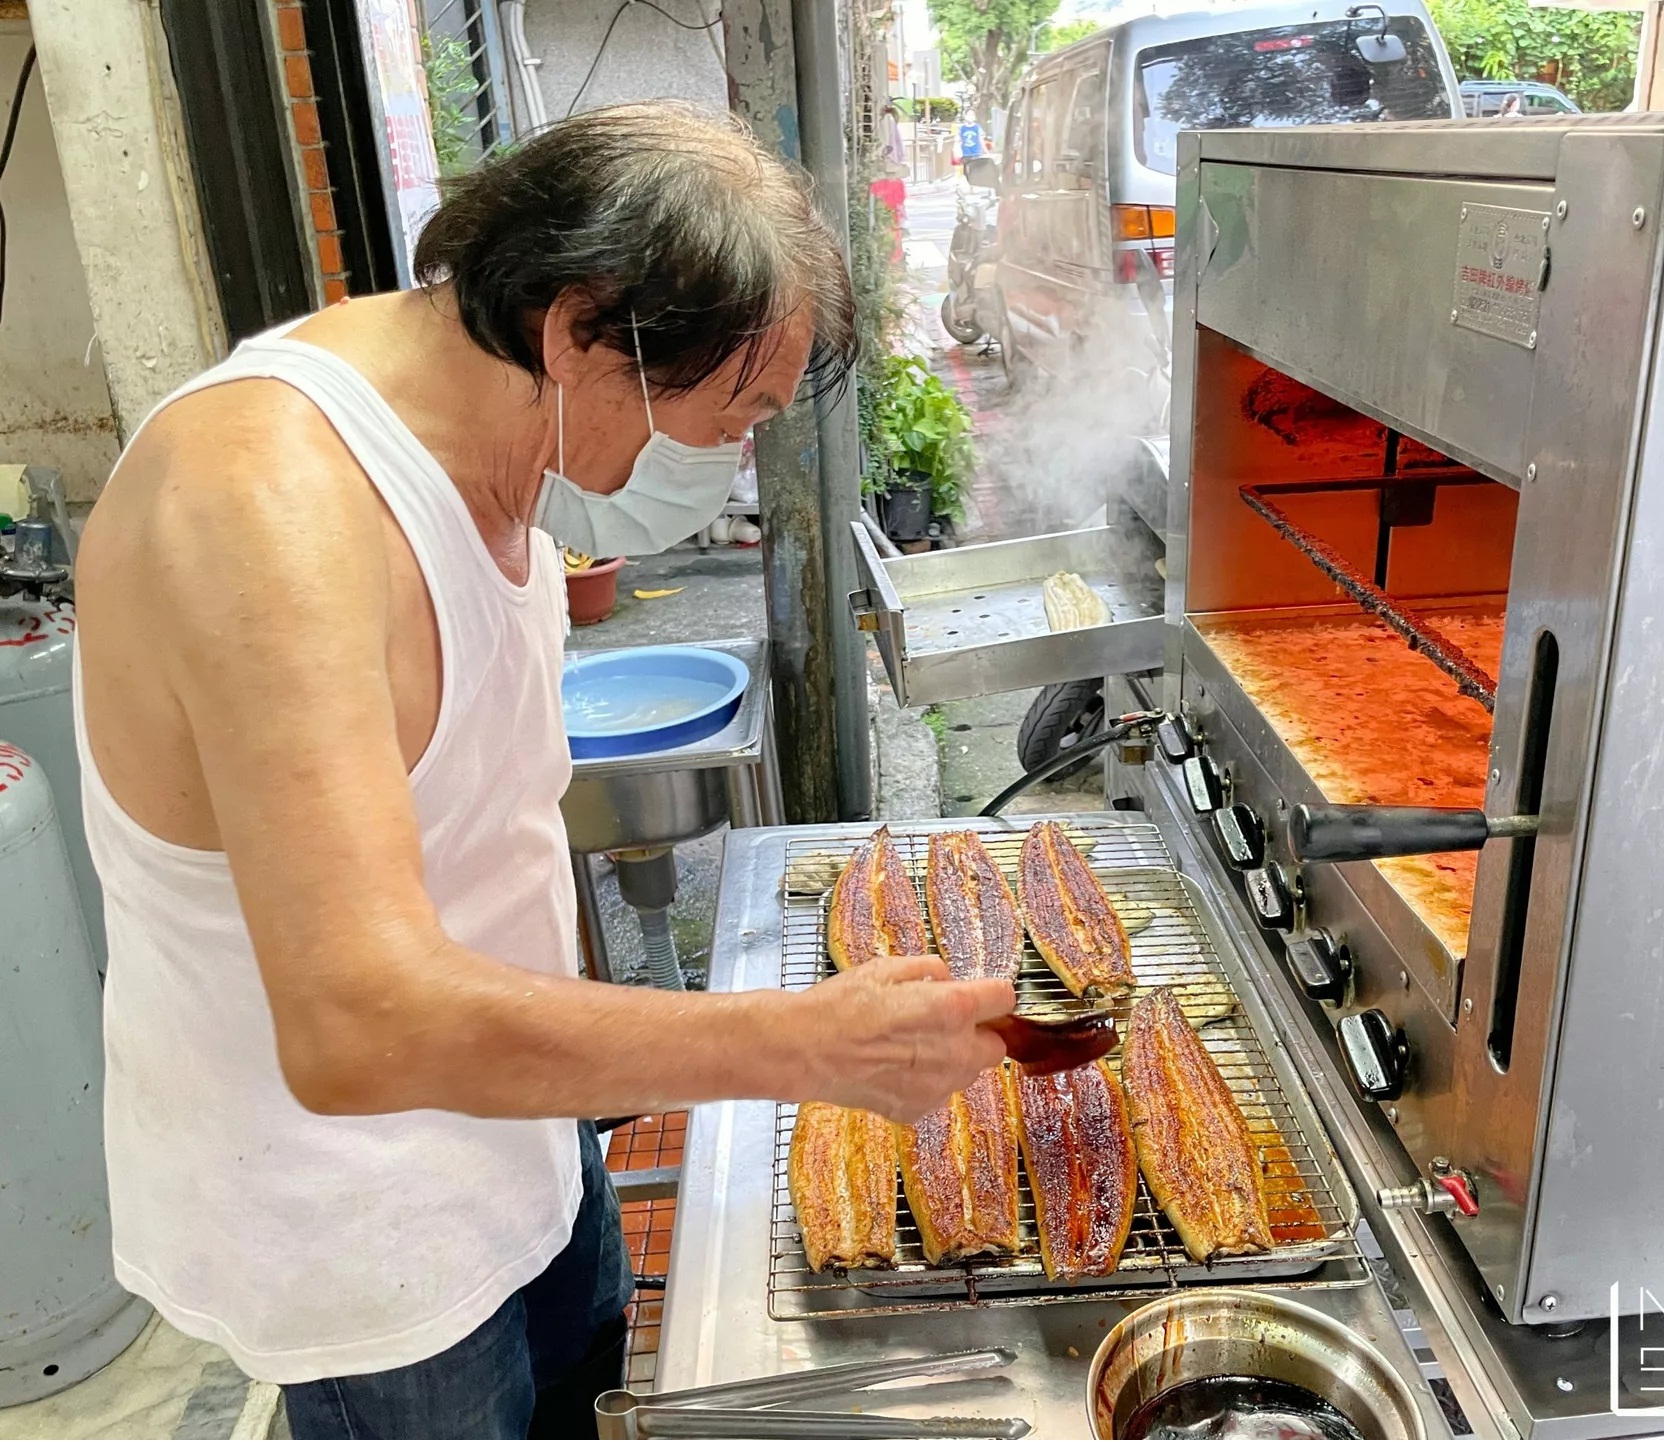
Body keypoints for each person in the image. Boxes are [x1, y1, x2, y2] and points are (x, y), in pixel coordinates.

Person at [72, 103, 1013, 1439]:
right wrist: (796, 1042)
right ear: (583, 328)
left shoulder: (509, 439)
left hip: (519, 1129)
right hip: (362, 1232)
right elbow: (353, 1019)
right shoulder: (269, 508)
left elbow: (492, 810)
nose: (727, 457)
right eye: (729, 411)